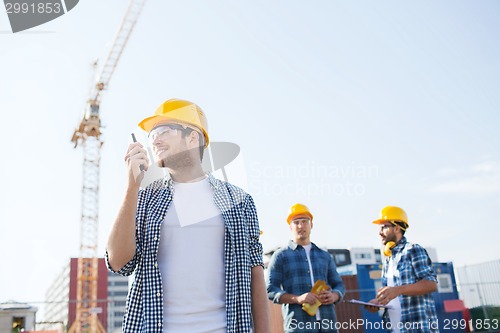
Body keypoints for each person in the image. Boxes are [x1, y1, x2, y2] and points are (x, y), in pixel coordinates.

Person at [106, 98, 270, 333]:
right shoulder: (144, 198)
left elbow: (256, 274)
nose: (155, 141)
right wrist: (131, 188)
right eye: (151, 135)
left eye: (163, 131)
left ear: (192, 137)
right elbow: (118, 263)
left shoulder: (239, 202)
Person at [267, 203, 346, 333]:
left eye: (304, 221)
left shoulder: (324, 256)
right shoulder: (280, 256)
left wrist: (334, 296)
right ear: (290, 227)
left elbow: (339, 284)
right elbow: (270, 290)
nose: (301, 226)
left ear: (311, 225)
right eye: (296, 222)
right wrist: (297, 299)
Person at [366, 205, 439, 333]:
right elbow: (394, 294)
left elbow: (431, 284)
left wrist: (398, 290)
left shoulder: (413, 250)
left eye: (384, 227)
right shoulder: (388, 259)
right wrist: (378, 302)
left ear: (397, 228)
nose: (380, 232)